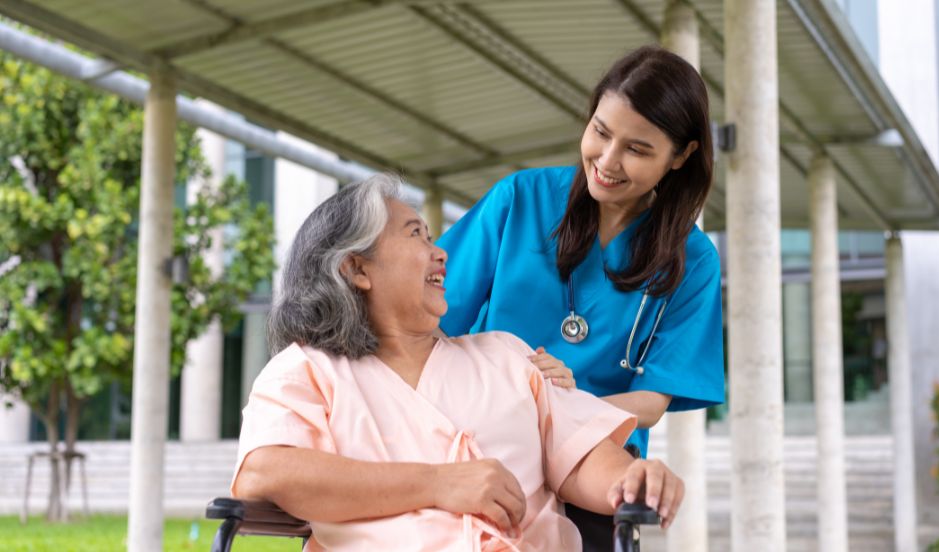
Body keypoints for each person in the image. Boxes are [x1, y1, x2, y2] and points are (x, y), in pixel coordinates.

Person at [231, 175, 684, 551]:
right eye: (414, 234)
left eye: (431, 237)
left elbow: (584, 458)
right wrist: (437, 483)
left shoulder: (506, 354)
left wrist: (634, 477)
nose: (441, 252)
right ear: (357, 269)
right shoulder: (307, 370)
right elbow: (264, 472)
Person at [436, 46, 724, 547]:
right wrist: (516, 399)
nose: (607, 163)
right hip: (485, 439)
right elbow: (431, 317)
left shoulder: (692, 260)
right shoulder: (519, 200)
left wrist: (560, 407)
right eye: (601, 132)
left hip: (596, 457)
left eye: (637, 149)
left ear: (681, 156)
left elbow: (652, 401)